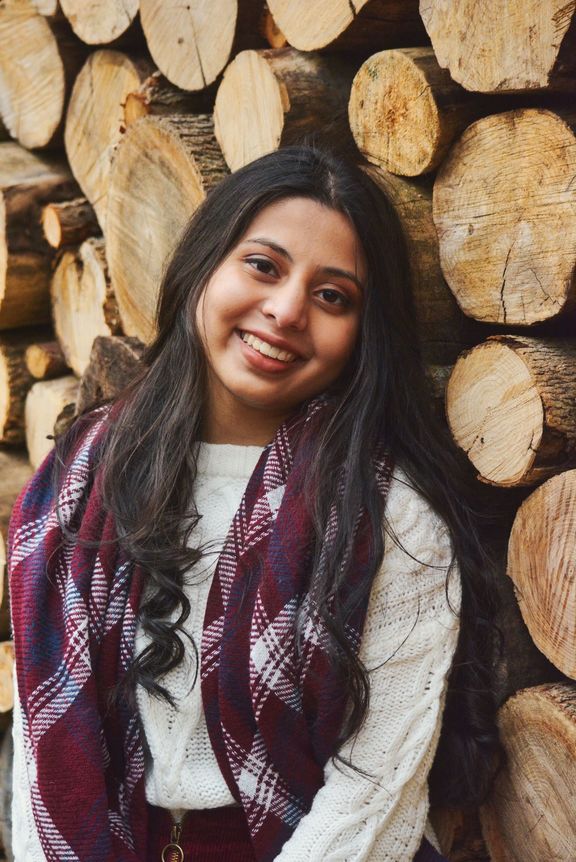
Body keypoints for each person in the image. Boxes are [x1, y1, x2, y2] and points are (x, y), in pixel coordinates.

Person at [8, 145, 500, 861]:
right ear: (205, 264)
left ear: (363, 334)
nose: (286, 310)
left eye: (333, 296)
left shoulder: (390, 518)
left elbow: (375, 798)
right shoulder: (83, 478)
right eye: (263, 266)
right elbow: (38, 742)